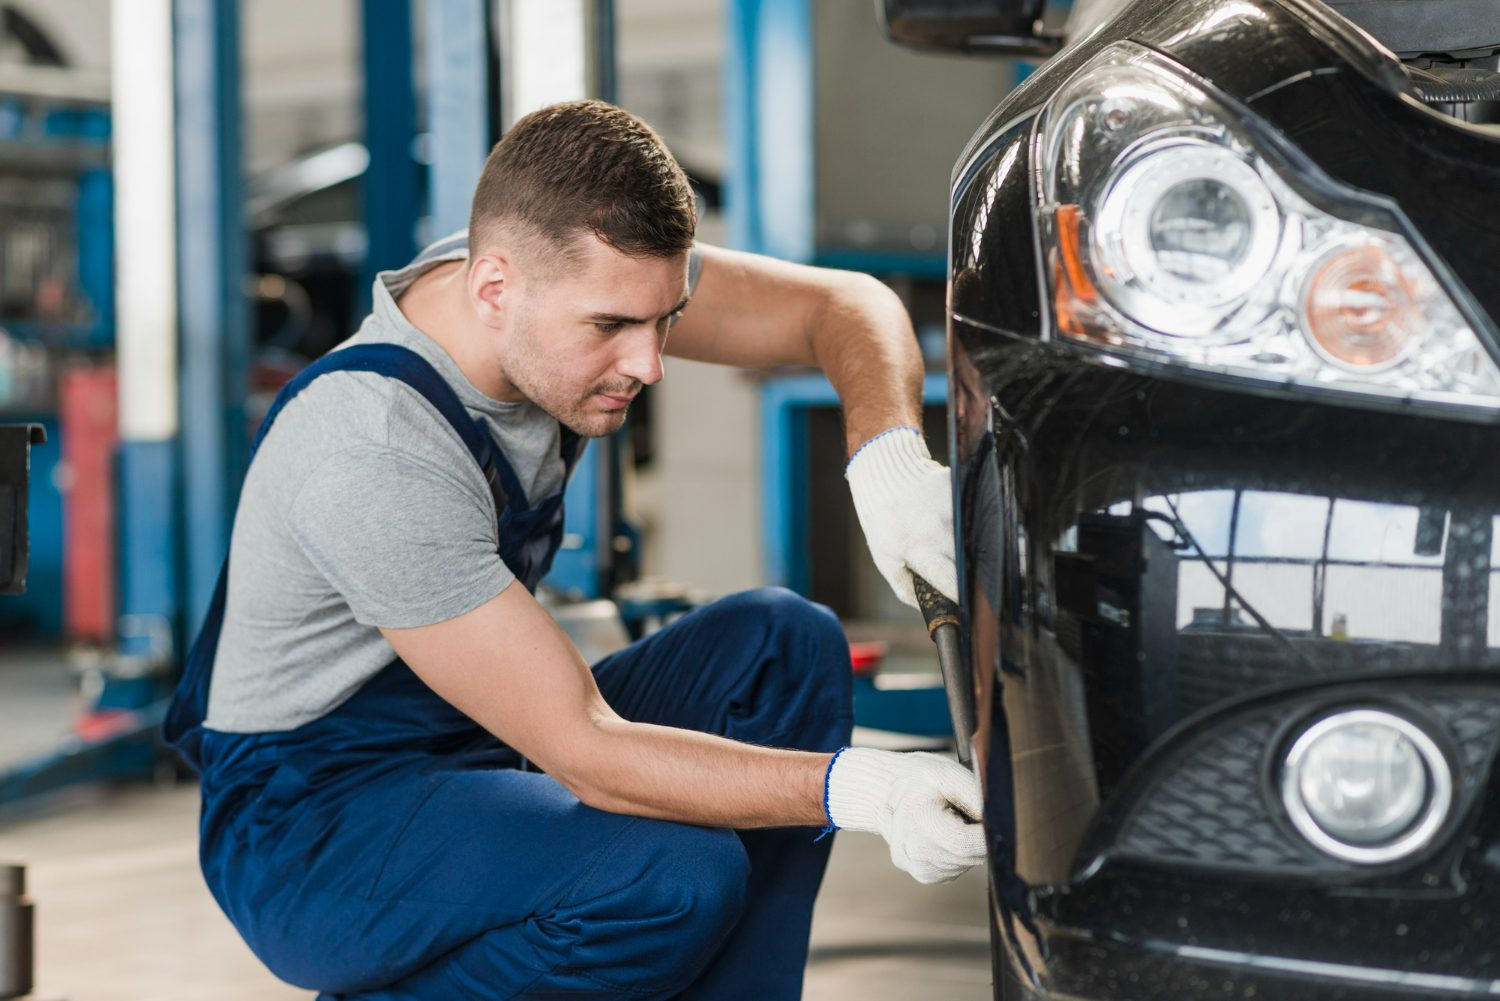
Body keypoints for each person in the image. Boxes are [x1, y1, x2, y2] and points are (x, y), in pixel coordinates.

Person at [165, 99, 983, 1001]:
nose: (650, 363)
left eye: (664, 319)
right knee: (667, 876)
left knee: (781, 647)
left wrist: (888, 461)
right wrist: (866, 790)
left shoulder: (558, 282)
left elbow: (842, 304)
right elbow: (585, 747)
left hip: (464, 751)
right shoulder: (374, 448)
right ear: (492, 291)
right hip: (309, 825)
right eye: (610, 329)